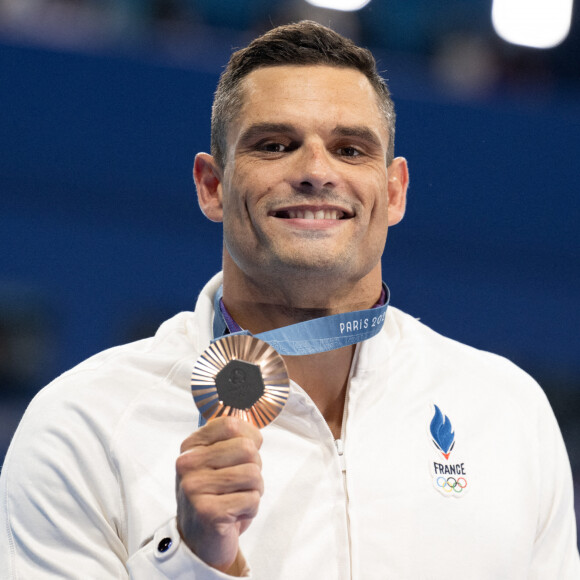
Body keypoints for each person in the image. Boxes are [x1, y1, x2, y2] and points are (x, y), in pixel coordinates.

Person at [1, 20, 578, 579]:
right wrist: (193, 561)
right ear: (213, 186)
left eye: (350, 150)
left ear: (395, 191)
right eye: (275, 145)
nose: (315, 172)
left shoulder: (507, 413)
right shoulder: (84, 426)